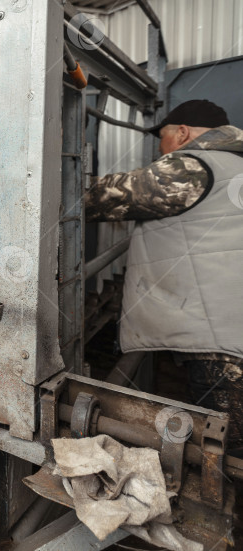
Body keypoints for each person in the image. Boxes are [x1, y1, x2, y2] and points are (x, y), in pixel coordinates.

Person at [84, 99, 243, 457]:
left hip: (225, 352)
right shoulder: (235, 164)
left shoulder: (193, 167)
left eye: (164, 144)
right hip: (230, 331)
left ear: (183, 133)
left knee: (223, 455)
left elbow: (97, 199)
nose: (161, 155)